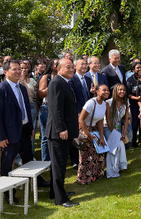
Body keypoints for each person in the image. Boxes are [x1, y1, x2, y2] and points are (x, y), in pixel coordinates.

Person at [0, 60, 48, 204]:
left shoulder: (22, 88)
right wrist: (0, 136)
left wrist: (30, 128)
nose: (18, 72)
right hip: (9, 134)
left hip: (24, 130)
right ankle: (9, 193)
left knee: (29, 158)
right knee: (7, 163)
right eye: (15, 69)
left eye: (19, 69)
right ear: (5, 72)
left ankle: (37, 182)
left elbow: (26, 109)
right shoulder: (0, 90)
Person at [45, 58, 78, 207]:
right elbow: (55, 109)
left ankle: (56, 192)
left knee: (60, 165)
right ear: (59, 69)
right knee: (59, 165)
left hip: (64, 130)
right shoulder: (56, 83)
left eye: (72, 67)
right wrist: (61, 129)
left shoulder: (64, 82)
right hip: (58, 132)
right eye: (68, 67)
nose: (71, 70)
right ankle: (61, 199)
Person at [77, 84, 109, 185]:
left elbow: (100, 120)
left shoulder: (104, 104)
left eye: (107, 90)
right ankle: (84, 177)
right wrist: (89, 135)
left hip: (95, 128)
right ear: (97, 91)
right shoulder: (91, 103)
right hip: (85, 129)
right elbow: (81, 120)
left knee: (99, 152)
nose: (107, 92)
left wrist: (102, 136)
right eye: (104, 90)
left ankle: (96, 174)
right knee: (87, 154)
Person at [68, 57, 92, 170]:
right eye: (81, 64)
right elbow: (72, 98)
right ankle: (74, 161)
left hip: (88, 112)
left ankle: (87, 158)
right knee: (76, 136)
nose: (84, 66)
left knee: (86, 134)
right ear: (75, 66)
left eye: (85, 64)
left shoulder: (87, 79)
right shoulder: (72, 79)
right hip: (77, 112)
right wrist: (77, 112)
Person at [103, 83, 129, 177]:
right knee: (114, 147)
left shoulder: (125, 103)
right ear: (115, 91)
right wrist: (114, 132)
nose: (122, 91)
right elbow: (108, 119)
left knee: (120, 145)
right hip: (108, 128)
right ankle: (111, 171)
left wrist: (124, 132)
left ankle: (116, 168)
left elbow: (126, 120)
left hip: (117, 128)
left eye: (123, 90)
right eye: (120, 90)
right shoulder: (109, 103)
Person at [37, 59, 58, 161]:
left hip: (58, 109)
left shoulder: (64, 77)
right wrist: (52, 84)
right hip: (47, 108)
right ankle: (46, 162)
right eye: (56, 64)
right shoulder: (47, 77)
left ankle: (55, 160)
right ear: (51, 66)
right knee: (46, 136)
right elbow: (41, 94)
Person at [19, 61, 37, 155]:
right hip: (20, 107)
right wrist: (21, 80)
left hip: (31, 106)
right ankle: (18, 157)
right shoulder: (16, 81)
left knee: (31, 131)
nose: (23, 70)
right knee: (19, 132)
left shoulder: (32, 81)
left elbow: (30, 94)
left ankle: (31, 153)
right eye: (21, 68)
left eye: (25, 68)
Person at [126, 62, 141, 148]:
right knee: (135, 121)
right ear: (133, 69)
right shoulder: (130, 80)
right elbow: (128, 94)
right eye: (137, 68)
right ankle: (134, 140)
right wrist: (136, 98)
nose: (139, 69)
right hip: (134, 103)